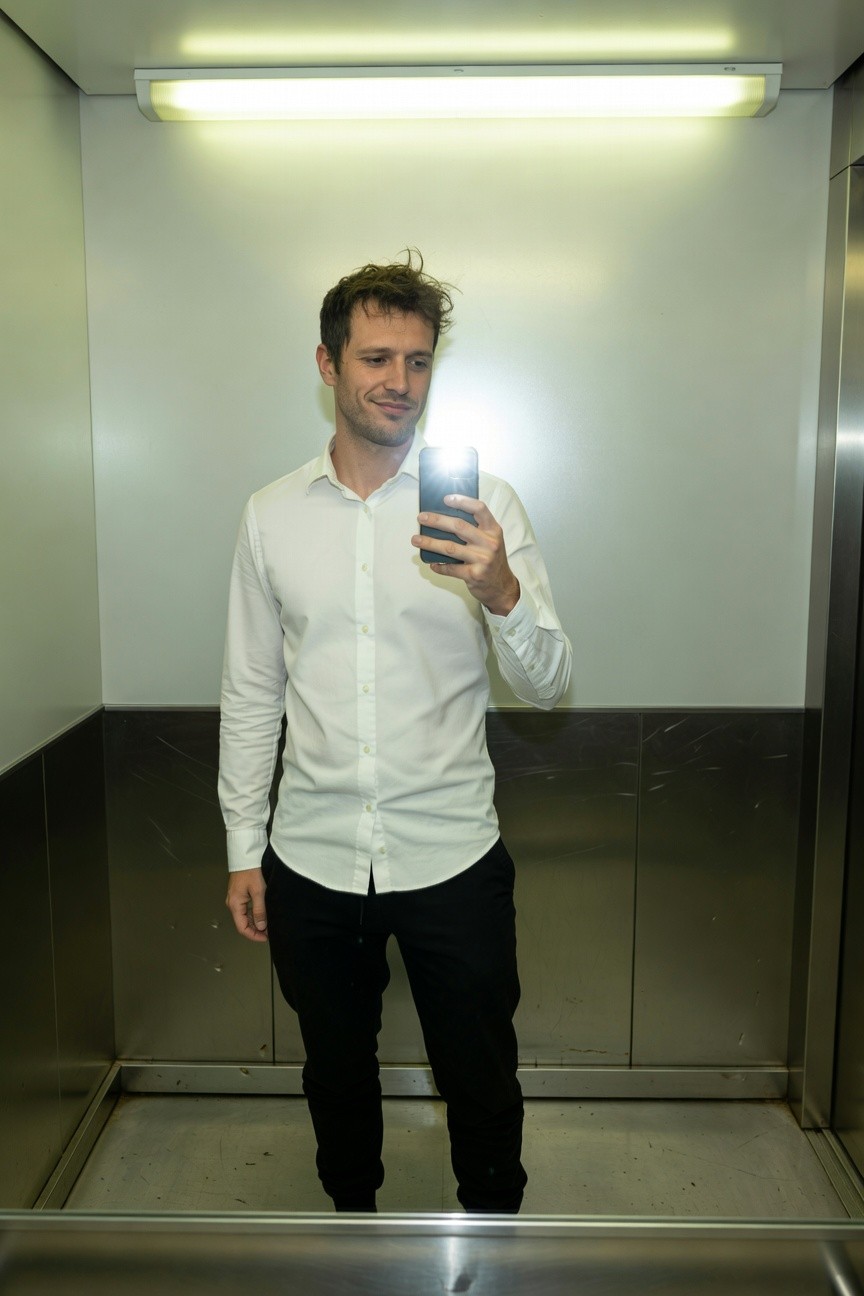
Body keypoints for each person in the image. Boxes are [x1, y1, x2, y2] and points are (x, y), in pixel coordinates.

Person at [218, 252, 571, 1214]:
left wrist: (501, 593)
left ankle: (493, 1229)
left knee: (482, 1074)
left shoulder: (483, 507)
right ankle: (353, 1230)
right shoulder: (270, 518)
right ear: (328, 365)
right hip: (313, 859)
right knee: (335, 1075)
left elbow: (550, 682)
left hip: (453, 853)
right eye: (377, 358)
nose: (399, 383)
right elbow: (253, 693)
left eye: (418, 362)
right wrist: (244, 848)